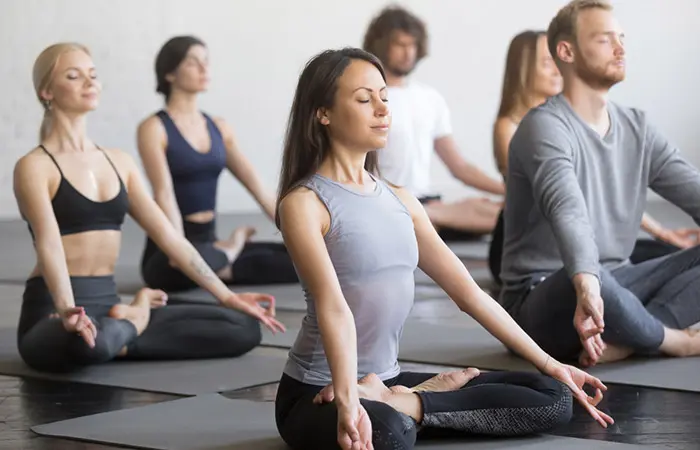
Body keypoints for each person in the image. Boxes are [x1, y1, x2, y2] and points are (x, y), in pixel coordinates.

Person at [273, 47, 613, 450]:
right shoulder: (305, 203)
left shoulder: (402, 201)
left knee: (553, 396)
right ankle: (403, 405)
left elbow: (469, 295)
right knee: (388, 433)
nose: (382, 109)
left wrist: (552, 364)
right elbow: (334, 307)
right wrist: (349, 399)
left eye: (385, 97)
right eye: (364, 99)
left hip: (384, 383)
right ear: (322, 113)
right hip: (316, 392)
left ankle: (405, 401)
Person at [13, 42, 285, 374]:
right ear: (47, 91)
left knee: (243, 328)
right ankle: (136, 318)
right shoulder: (35, 166)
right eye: (74, 76)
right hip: (54, 311)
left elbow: (171, 238)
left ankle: (123, 331)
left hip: (109, 305)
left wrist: (227, 296)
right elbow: (49, 243)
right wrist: (67, 309)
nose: (89, 83)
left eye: (93, 75)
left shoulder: (119, 163)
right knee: (84, 341)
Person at [499, 0, 700, 368]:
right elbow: (568, 209)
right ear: (567, 51)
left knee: (612, 282)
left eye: (621, 38)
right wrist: (587, 282)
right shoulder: (544, 127)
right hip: (544, 298)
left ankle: (631, 337)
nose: (621, 48)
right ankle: (670, 340)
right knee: (595, 279)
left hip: (620, 286)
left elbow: (692, 188)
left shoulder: (638, 127)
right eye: (606, 40)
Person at [488, 29, 690, 285]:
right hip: (535, 252)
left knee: (671, 256)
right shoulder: (512, 127)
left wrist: (662, 232)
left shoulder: (571, 122)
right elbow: (569, 198)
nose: (557, 69)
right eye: (547, 63)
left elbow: (603, 196)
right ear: (524, 70)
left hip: (580, 239)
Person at [137, 36, 298, 293]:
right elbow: (163, 194)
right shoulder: (154, 129)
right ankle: (231, 248)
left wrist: (301, 233)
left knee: (302, 260)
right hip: (168, 250)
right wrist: (181, 253)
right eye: (193, 62)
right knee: (182, 265)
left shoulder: (219, 128)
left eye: (206, 61)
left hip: (209, 243)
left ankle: (222, 261)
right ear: (169, 73)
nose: (204, 69)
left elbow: (257, 187)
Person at [362, 6, 505, 241]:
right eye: (400, 44)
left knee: (503, 214)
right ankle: (424, 219)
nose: (408, 52)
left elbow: (459, 167)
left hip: (426, 201)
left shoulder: (430, 98)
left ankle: (430, 217)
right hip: (383, 201)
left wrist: (510, 191)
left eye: (412, 45)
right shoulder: (367, 97)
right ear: (381, 44)